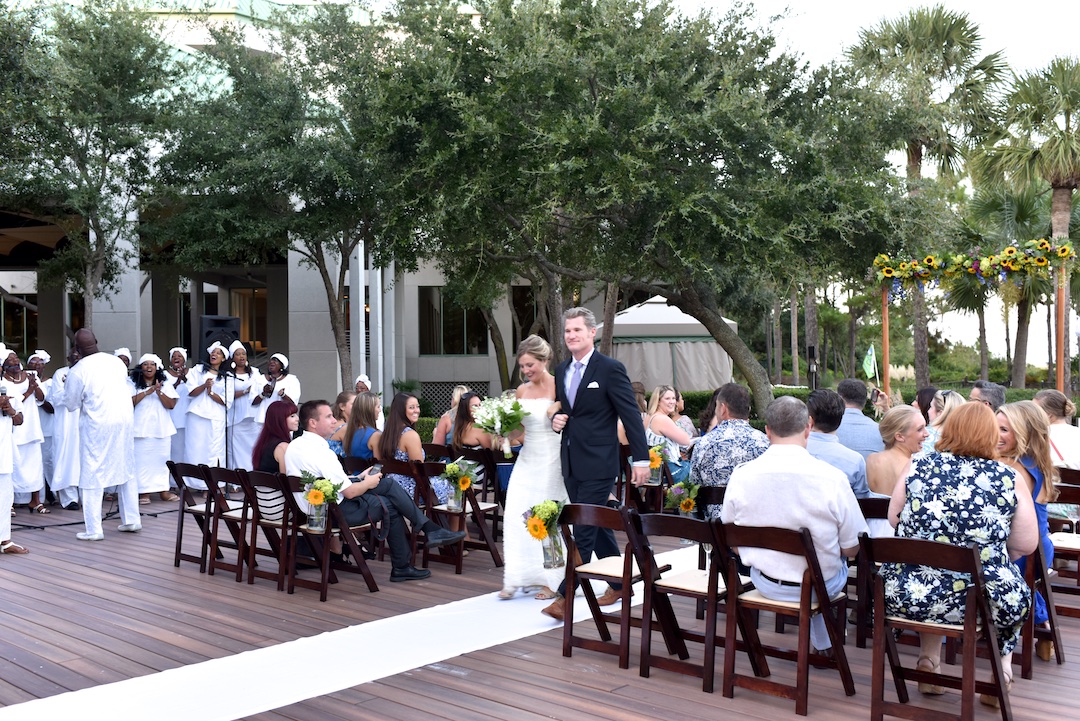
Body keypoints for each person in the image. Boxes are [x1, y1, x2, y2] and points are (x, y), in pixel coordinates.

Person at [882, 402, 1037, 707]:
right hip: (979, 598)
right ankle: (1001, 673)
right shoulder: (1008, 477)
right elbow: (1026, 545)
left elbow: (893, 518)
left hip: (907, 594)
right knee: (1009, 587)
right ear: (990, 435)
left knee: (931, 571)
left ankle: (928, 660)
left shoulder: (917, 465)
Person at [722, 396, 866, 653]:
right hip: (820, 586)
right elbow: (853, 547)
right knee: (830, 563)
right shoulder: (832, 478)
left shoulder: (742, 475)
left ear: (767, 430)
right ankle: (824, 642)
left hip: (765, 581)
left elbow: (731, 539)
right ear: (808, 426)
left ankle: (822, 640)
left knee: (818, 564)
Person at [544, 307, 650, 621]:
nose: (572, 335)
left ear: (592, 333)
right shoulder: (562, 369)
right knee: (598, 520)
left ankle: (564, 597)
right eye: (567, 331)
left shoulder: (610, 369)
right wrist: (558, 420)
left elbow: (630, 416)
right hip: (572, 462)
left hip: (601, 463)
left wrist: (640, 459)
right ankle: (619, 585)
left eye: (577, 330)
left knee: (584, 527)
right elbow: (568, 411)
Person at [284, 399, 466, 582]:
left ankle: (428, 532)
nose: (334, 420)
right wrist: (368, 483)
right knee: (391, 506)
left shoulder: (295, 446)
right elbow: (349, 493)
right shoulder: (321, 452)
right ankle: (406, 562)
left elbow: (329, 482)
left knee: (387, 485)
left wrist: (359, 478)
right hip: (335, 512)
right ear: (313, 423)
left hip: (315, 510)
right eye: (329, 416)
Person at [499, 335, 570, 601]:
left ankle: (554, 579)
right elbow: (520, 430)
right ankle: (516, 576)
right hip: (527, 459)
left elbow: (572, 413)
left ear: (544, 360)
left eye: (531, 365)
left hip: (553, 458)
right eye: (523, 366)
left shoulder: (559, 386)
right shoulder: (521, 391)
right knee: (517, 514)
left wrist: (559, 406)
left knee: (548, 517)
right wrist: (502, 427)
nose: (527, 371)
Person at [65, 329, 140, 540]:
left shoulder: (78, 370)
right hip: (124, 420)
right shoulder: (116, 362)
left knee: (92, 472)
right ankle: (132, 519)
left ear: (77, 349)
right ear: (97, 341)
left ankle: (93, 530)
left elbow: (70, 404)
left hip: (97, 425)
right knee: (127, 466)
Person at [997, 400, 1059, 660]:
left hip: (1020, 547)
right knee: (1026, 584)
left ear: (1023, 434)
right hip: (1040, 545)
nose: (995, 435)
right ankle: (1043, 627)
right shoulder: (1036, 461)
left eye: (1003, 430)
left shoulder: (1012, 468)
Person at [689, 383, 769, 519]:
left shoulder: (704, 443)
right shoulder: (764, 442)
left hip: (715, 531)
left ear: (723, 409)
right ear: (748, 409)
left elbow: (694, 487)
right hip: (755, 527)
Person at [378, 392, 453, 504]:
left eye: (417, 406)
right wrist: (439, 468)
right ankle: (447, 522)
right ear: (401, 410)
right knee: (458, 485)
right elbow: (421, 471)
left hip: (392, 486)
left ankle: (440, 520)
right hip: (412, 491)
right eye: (411, 407)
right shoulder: (410, 435)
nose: (416, 410)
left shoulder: (386, 434)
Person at [129, 354, 178, 503]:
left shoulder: (166, 383)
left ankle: (164, 491)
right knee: (142, 461)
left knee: (162, 461)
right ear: (140, 367)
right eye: (145, 364)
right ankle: (144, 493)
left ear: (157, 368)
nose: (149, 367)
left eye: (152, 364)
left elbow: (171, 405)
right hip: (140, 429)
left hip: (161, 428)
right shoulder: (132, 383)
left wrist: (158, 392)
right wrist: (146, 392)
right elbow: (129, 403)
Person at [806, 389, 871, 498]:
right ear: (840, 419)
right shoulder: (855, 460)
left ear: (810, 420)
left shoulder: (790, 453)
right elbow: (862, 501)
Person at [4, 349, 47, 514]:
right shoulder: (4, 381)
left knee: (35, 465)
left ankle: (35, 501)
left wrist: (34, 386)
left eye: (15, 357)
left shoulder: (31, 375)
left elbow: (42, 398)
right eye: (11, 358)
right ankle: (10, 503)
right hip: (14, 427)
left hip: (32, 427)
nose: (15, 360)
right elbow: (13, 403)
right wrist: (28, 390)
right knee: (14, 465)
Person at [184, 342, 229, 485]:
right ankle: (196, 484)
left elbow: (227, 400)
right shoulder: (198, 371)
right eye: (212, 352)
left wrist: (211, 393)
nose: (214, 354)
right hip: (197, 415)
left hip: (216, 417)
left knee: (213, 451)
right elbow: (190, 392)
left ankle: (212, 484)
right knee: (196, 449)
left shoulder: (227, 377)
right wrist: (204, 386)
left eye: (218, 353)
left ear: (223, 359)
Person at [46, 347, 81, 511]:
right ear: (68, 358)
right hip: (66, 424)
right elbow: (56, 398)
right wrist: (71, 388)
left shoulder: (87, 372)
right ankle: (69, 499)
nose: (76, 358)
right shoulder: (60, 373)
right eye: (73, 356)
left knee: (83, 459)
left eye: (78, 355)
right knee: (67, 459)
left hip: (85, 423)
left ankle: (86, 497)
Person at [866, 405, 928, 497]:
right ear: (899, 436)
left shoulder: (871, 460)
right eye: (919, 429)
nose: (927, 433)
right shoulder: (914, 468)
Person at [643, 385, 693, 483]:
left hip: (656, 473)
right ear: (658, 401)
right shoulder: (662, 419)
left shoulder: (649, 417)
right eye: (667, 399)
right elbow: (686, 441)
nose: (672, 402)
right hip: (671, 472)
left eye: (673, 398)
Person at [0, 366, 26, 554]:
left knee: (4, 498)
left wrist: (10, 410)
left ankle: (4, 541)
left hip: (3, 452)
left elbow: (20, 420)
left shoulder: (8, 388)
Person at [226, 340, 261, 471]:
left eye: (244, 354)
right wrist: (246, 391)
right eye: (238, 354)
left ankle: (253, 476)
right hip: (236, 417)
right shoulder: (229, 375)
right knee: (236, 448)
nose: (242, 356)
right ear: (232, 358)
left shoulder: (255, 372)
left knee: (253, 446)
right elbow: (227, 395)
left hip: (253, 415)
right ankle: (237, 479)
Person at [26, 351, 55, 504]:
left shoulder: (49, 383)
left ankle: (52, 494)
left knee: (48, 462)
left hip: (46, 429)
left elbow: (52, 408)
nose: (37, 367)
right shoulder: (22, 381)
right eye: (33, 364)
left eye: (40, 364)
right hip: (29, 429)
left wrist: (37, 394)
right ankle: (36, 498)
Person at [835, 378, 884, 460]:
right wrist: (887, 408)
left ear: (839, 398)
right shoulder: (881, 430)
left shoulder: (828, 429)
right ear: (865, 400)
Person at [1034, 389, 1080, 469]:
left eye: (1034, 410)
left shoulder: (1037, 435)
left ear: (1048, 415)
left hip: (1051, 480)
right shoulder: (1077, 432)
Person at [251, 400, 298, 473]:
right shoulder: (283, 447)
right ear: (280, 420)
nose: (297, 419)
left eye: (296, 415)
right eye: (292, 416)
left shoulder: (264, 442)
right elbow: (287, 479)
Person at [919, 388, 965, 455]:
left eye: (931, 407)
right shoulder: (969, 437)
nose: (928, 411)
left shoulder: (924, 436)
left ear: (940, 413)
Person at [165, 347, 190, 465]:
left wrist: (185, 378)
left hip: (187, 417)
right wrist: (178, 382)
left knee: (188, 449)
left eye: (179, 356)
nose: (176, 358)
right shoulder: (165, 374)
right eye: (174, 356)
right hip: (173, 416)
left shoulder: (192, 373)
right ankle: (175, 479)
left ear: (184, 359)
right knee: (175, 449)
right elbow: (166, 392)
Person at [344, 392, 382, 460]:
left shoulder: (350, 432)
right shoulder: (375, 436)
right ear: (370, 409)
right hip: (369, 470)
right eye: (378, 407)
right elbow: (379, 465)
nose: (380, 410)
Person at [327, 390, 355, 458]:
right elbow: (353, 452)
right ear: (342, 406)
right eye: (353, 404)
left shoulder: (333, 422)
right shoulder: (345, 428)